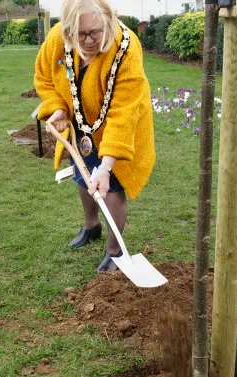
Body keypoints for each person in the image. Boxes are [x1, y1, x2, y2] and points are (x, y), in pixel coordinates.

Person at [34, 0, 156, 273]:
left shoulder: (126, 48)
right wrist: (57, 108)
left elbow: (124, 112)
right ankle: (91, 226)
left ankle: (114, 250)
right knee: (82, 173)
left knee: (111, 184)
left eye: (95, 32)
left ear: (109, 20)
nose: (87, 40)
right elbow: (44, 78)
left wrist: (107, 164)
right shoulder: (58, 37)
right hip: (81, 126)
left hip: (119, 123)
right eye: (79, 34)